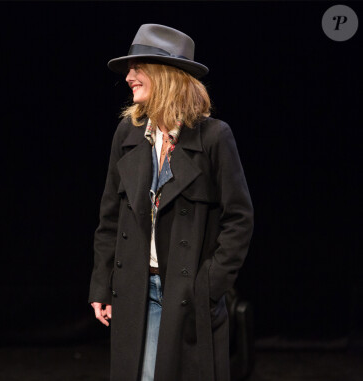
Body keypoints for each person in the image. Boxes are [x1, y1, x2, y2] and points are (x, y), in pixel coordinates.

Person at [89, 24, 254, 381]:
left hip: (186, 295)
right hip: (136, 289)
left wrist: (208, 284)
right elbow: (110, 216)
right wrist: (102, 283)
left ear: (166, 76)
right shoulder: (128, 134)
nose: (129, 76)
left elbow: (239, 219)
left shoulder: (213, 138)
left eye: (139, 68)